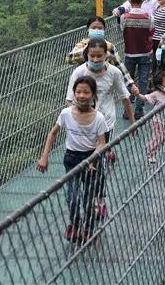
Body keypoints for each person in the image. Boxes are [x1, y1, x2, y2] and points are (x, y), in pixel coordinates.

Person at [65, 39, 134, 219]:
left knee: (99, 165)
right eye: (92, 56)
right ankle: (83, 203)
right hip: (83, 125)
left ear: (106, 57)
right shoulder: (79, 72)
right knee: (85, 164)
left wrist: (133, 121)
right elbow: (70, 99)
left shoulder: (114, 73)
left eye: (99, 56)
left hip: (105, 124)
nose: (95, 59)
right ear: (86, 55)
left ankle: (98, 198)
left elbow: (124, 97)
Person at [38, 76, 107, 244]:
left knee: (88, 198)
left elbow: (101, 143)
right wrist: (44, 157)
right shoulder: (66, 114)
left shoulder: (98, 118)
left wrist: (92, 159)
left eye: (86, 92)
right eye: (78, 92)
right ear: (74, 93)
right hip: (72, 158)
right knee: (73, 196)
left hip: (91, 160)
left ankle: (89, 229)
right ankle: (75, 225)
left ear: (93, 95)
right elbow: (52, 133)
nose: (82, 96)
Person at [65, 16, 139, 97]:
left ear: (104, 30)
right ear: (88, 29)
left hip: (104, 85)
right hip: (85, 86)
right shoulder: (82, 45)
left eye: (100, 28)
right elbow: (69, 59)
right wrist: (87, 50)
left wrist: (131, 84)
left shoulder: (109, 47)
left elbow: (119, 66)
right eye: (93, 28)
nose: (97, 30)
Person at [120, 0, 153, 119]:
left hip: (130, 54)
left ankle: (127, 111)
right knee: (143, 82)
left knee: (128, 82)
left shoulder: (124, 17)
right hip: (145, 53)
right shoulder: (148, 17)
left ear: (130, 0)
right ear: (142, 0)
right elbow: (151, 29)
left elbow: (122, 29)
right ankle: (139, 110)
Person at [136, 71, 165, 164]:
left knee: (164, 138)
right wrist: (137, 94)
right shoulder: (156, 94)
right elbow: (145, 98)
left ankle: (150, 145)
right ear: (160, 85)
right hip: (157, 120)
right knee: (158, 138)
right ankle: (150, 153)